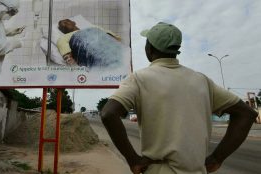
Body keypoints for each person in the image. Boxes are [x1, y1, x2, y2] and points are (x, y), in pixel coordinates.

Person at [101, 22, 258, 174]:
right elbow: (247, 113)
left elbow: (108, 113)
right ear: (176, 49)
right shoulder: (202, 80)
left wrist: (132, 159)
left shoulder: (139, 79)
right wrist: (218, 157)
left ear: (150, 48)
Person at [56, 19, 123, 69]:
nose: (63, 24)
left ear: (74, 22)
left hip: (116, 53)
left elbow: (114, 39)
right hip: (98, 61)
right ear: (61, 30)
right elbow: (68, 58)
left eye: (65, 21)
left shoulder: (94, 28)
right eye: (61, 25)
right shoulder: (62, 39)